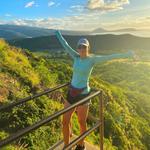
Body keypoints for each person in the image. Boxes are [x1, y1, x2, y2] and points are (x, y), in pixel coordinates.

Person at [55, 30, 134, 150]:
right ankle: (67, 146)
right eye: (80, 46)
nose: (81, 48)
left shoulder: (92, 60)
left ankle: (81, 145)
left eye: (84, 47)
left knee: (81, 122)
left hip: (83, 94)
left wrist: (127, 54)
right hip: (71, 93)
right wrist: (57, 33)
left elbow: (109, 57)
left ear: (88, 48)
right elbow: (65, 44)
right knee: (65, 121)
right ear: (78, 48)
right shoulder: (75, 56)